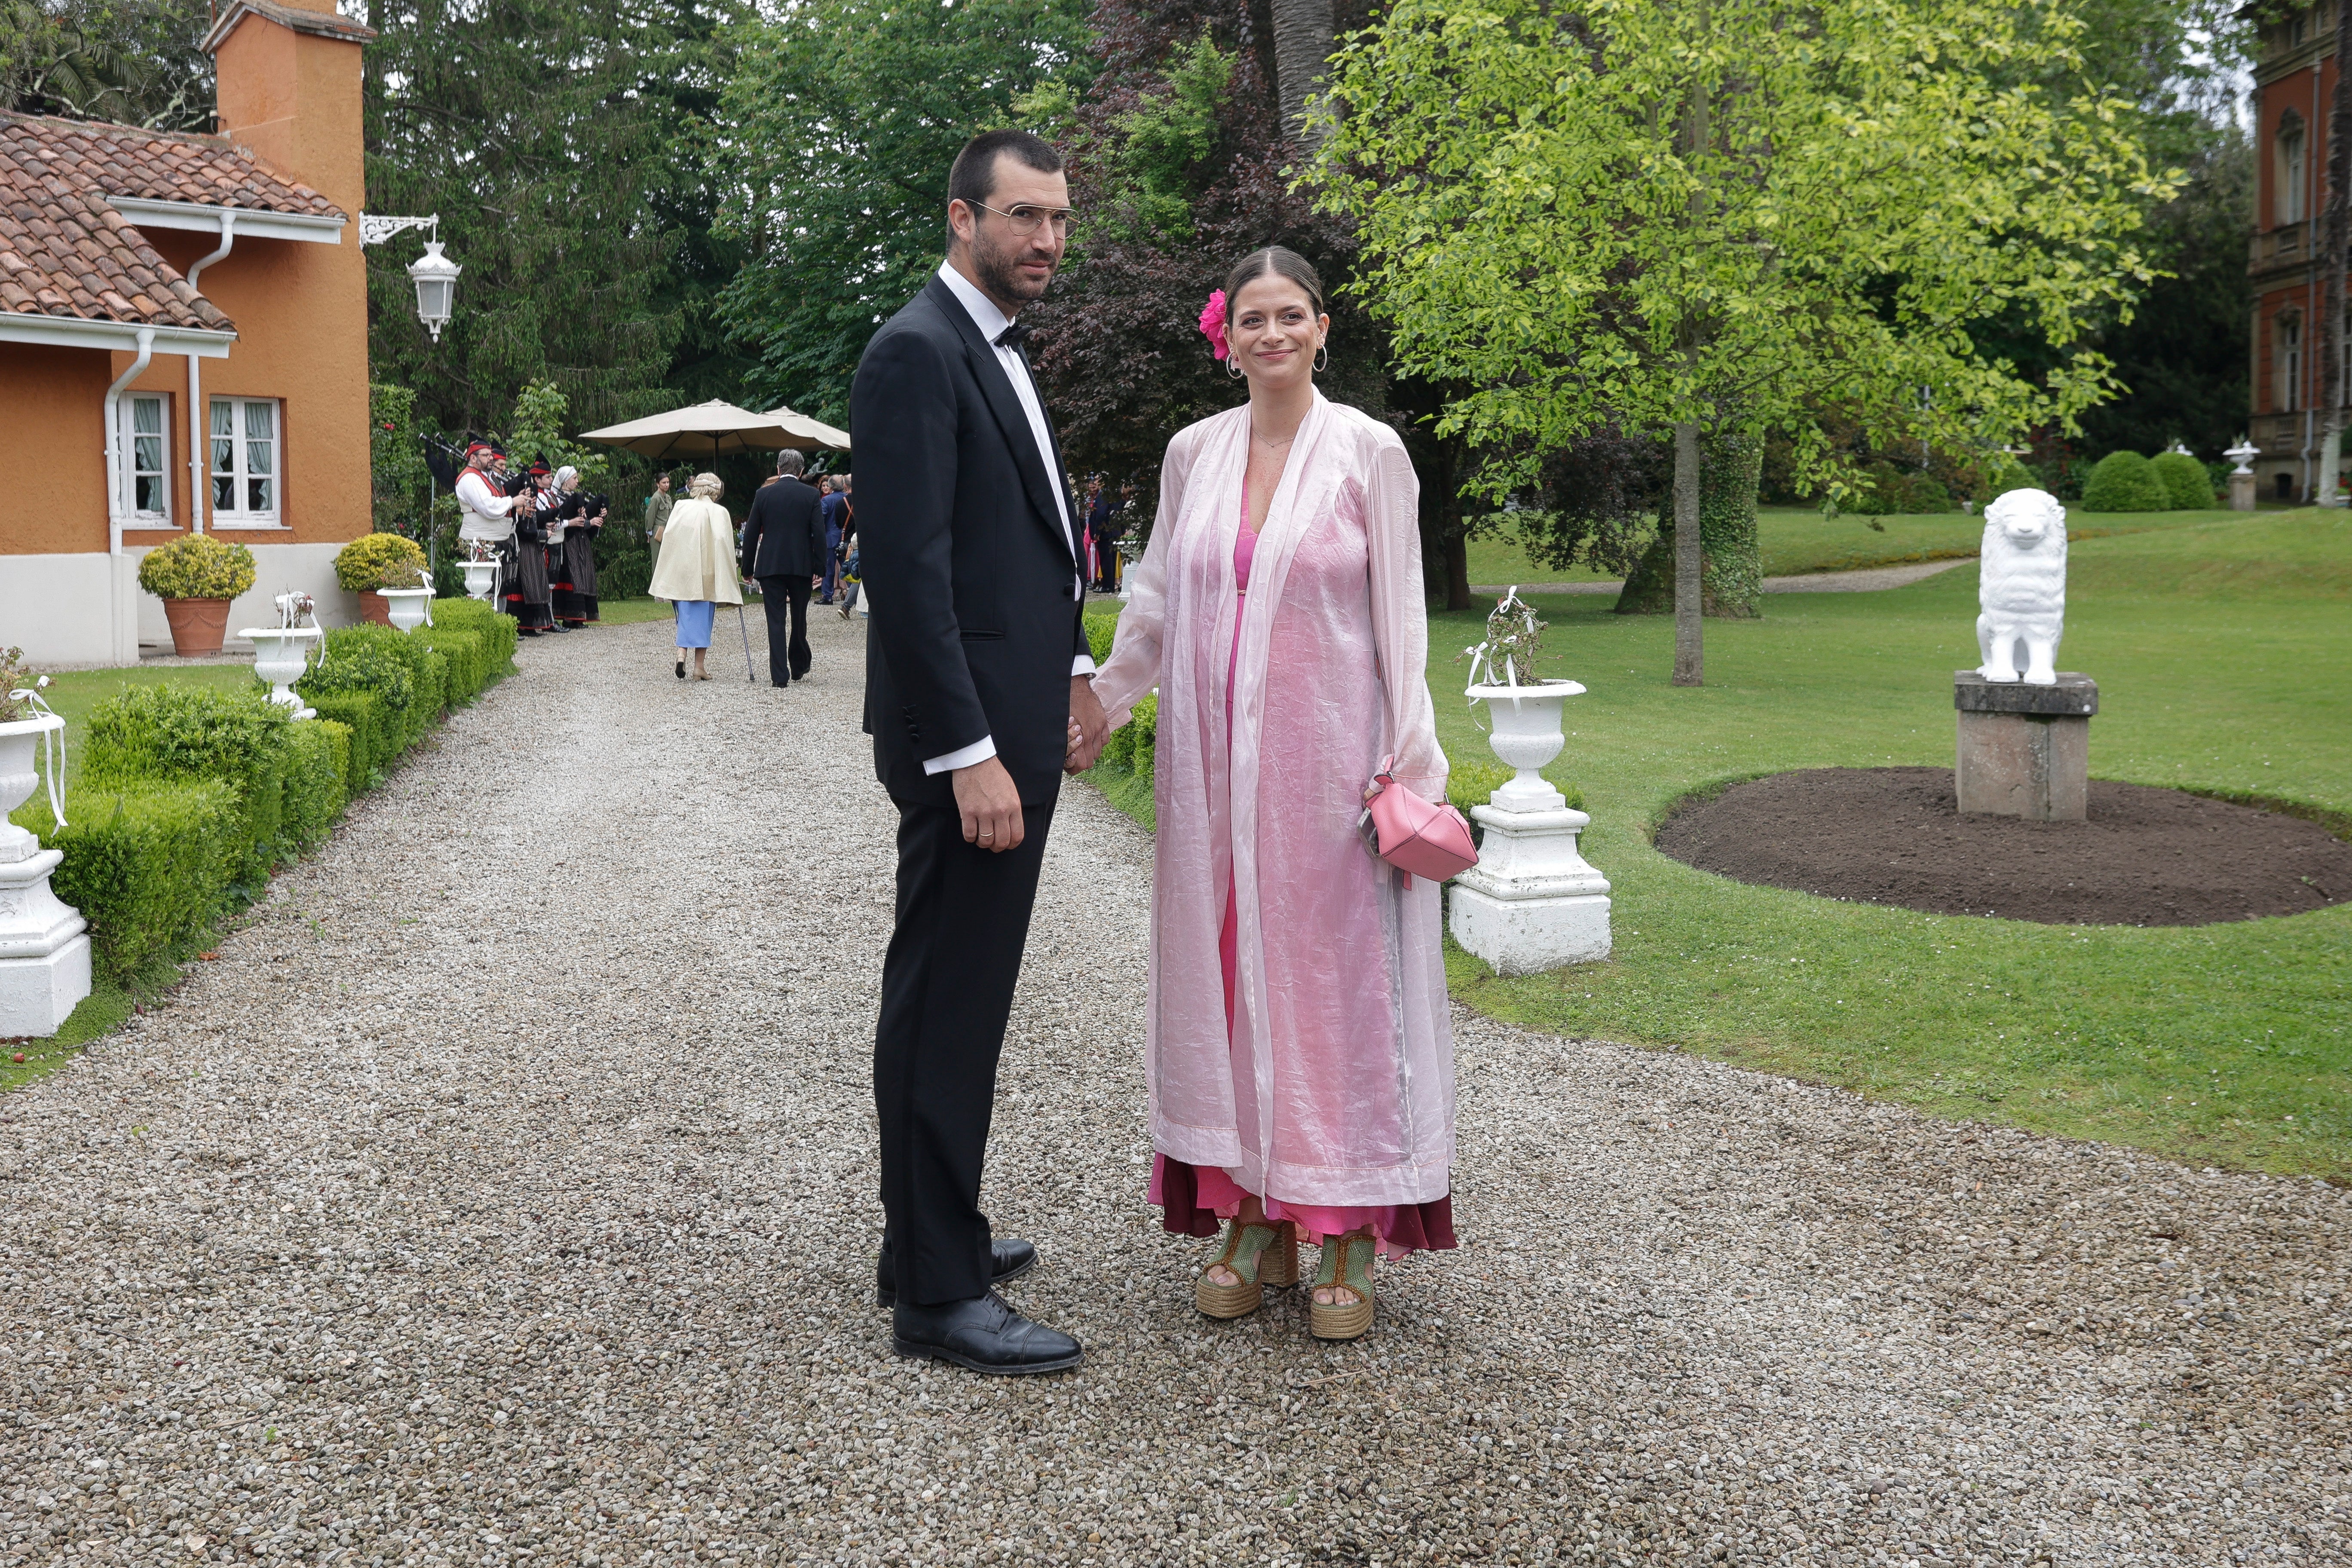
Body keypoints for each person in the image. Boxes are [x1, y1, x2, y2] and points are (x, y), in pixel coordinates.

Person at [1091, 246, 1457, 1344]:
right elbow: (1153, 597)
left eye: (1288, 315)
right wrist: (1100, 704)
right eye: (1251, 318)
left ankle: (1340, 1219)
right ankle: (1248, 1210)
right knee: (1223, 979)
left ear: (1320, 326)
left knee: (1331, 986)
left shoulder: (1368, 451)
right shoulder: (1192, 452)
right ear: (1225, 334)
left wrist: (1408, 768)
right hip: (1209, 783)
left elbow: (1401, 613)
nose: (1271, 335)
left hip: (1328, 774)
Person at [854, 129, 1106, 1375]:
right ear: (963, 218)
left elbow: (1020, 549)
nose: (1048, 239)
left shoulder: (992, 347)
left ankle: (925, 1239)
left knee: (947, 990)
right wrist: (969, 751)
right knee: (954, 1004)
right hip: (972, 751)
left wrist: (1070, 673)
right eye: (1024, 217)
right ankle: (939, 1297)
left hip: (1012, 719)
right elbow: (907, 577)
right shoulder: (916, 351)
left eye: (1059, 218)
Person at [739, 449, 825, 686]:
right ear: (801, 471)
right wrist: (820, 566)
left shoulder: (763, 495)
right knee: (799, 617)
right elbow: (819, 533)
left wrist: (747, 568)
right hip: (801, 564)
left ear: (778, 469)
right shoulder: (811, 495)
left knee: (775, 620)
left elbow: (751, 533)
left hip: (771, 564)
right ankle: (798, 665)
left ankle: (779, 676)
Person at [647, 472, 743, 680]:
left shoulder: (682, 507)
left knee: (686, 615)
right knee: (703, 618)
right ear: (715, 491)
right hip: (706, 572)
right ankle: (699, 666)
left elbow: (671, 535)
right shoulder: (719, 512)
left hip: (683, 571)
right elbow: (723, 543)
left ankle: (682, 654)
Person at [550, 466, 603, 628]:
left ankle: (578, 617)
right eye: (574, 478)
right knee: (571, 578)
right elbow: (563, 519)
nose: (577, 481)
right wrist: (589, 522)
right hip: (567, 542)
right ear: (566, 481)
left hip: (581, 542)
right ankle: (568, 616)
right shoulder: (556, 498)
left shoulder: (578, 499)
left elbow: (583, 517)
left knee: (583, 578)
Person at [819, 474, 851, 604]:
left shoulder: (826, 501)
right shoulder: (847, 499)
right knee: (847, 565)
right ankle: (854, 593)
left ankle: (828, 596)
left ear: (831, 486)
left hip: (831, 538)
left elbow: (821, 518)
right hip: (846, 536)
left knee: (829, 567)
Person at [645, 473, 674, 572]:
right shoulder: (656, 498)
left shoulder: (668, 498)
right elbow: (650, 516)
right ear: (658, 484)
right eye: (664, 483)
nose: (666, 485)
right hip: (658, 531)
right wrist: (649, 531)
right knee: (657, 562)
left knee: (667, 562)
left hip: (667, 530)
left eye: (668, 482)